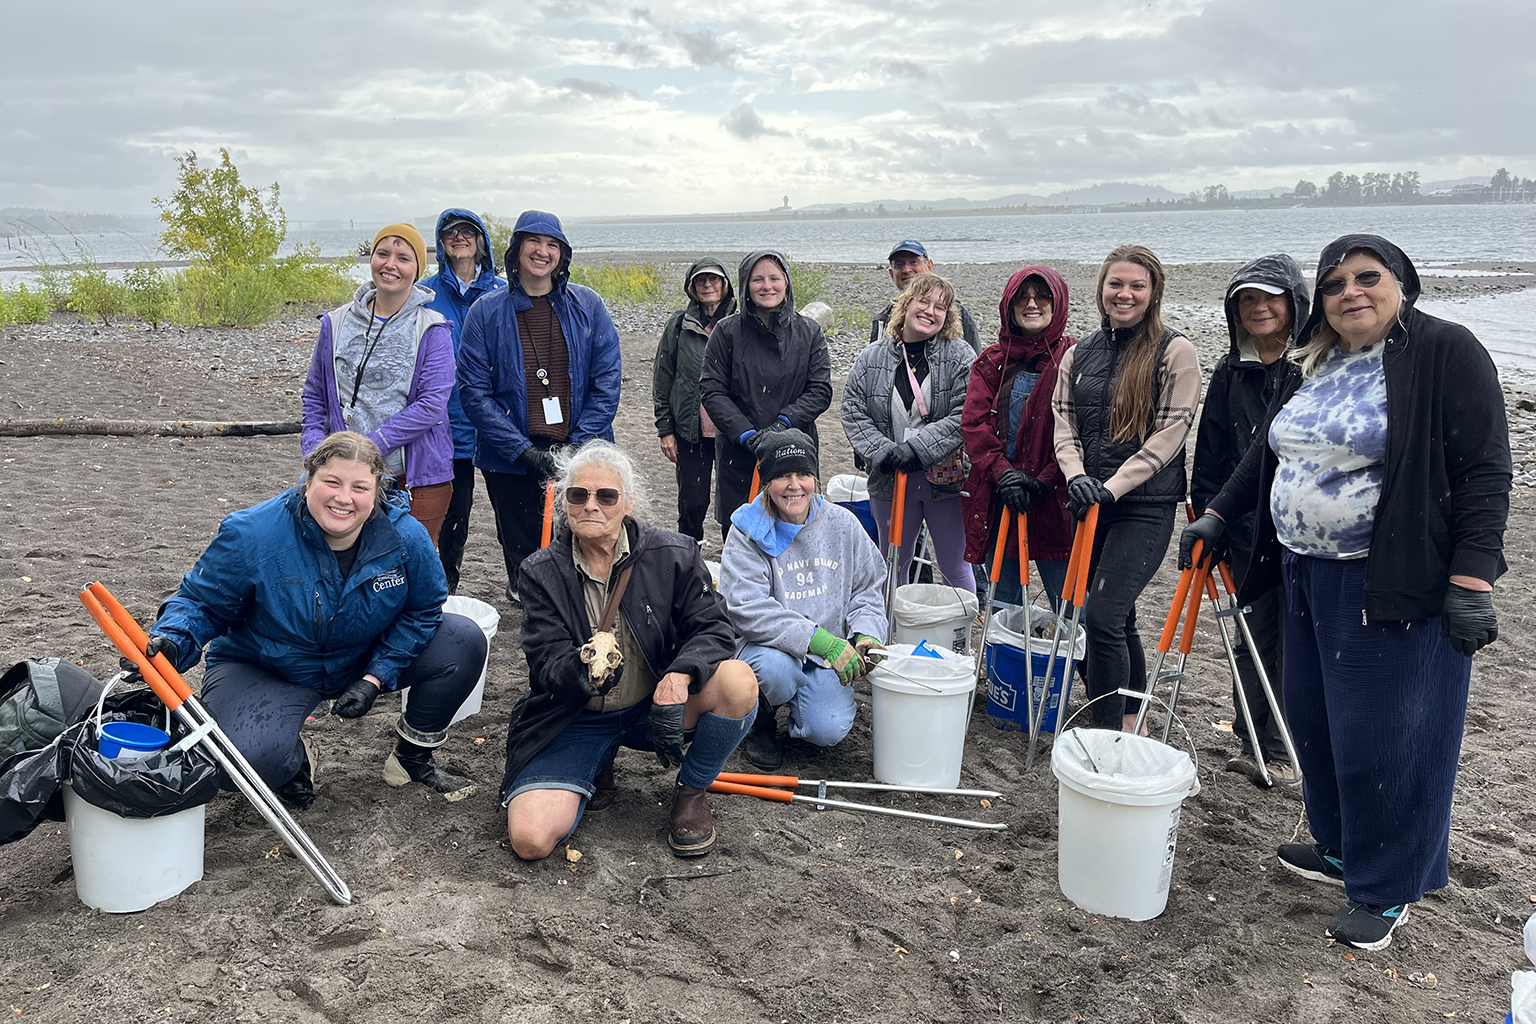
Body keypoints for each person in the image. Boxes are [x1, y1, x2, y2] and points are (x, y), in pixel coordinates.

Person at [1180, 234, 1509, 951]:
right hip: (1302, 570)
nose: (1351, 292)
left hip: (1391, 579)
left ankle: (1389, 888)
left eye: (1368, 277)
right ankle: (1338, 847)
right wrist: (1215, 515)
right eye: (1334, 284)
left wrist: (1472, 578)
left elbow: (1486, 470)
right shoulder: (1317, 360)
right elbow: (1269, 447)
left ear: (1402, 284)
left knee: (1390, 737)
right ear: (1319, 303)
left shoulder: (1445, 352)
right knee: (1319, 721)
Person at [141, 432, 485, 808]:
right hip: (268, 666)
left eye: (359, 487)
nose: (343, 498)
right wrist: (172, 640)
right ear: (309, 480)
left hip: (360, 658)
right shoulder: (253, 533)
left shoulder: (405, 537)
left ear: (378, 492)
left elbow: (422, 610)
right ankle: (293, 761)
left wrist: (376, 677)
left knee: (463, 639)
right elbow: (201, 603)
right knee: (237, 764)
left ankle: (411, 759)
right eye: (332, 482)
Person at [502, 441, 759, 859]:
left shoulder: (673, 553)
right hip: (573, 716)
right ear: (563, 502)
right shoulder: (539, 572)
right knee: (530, 841)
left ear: (628, 503)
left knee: (738, 681)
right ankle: (592, 768)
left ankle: (691, 790)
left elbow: (714, 627)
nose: (591, 506)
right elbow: (545, 662)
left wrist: (680, 674)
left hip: (652, 705)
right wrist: (584, 670)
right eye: (578, 494)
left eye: (606, 496)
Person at [1051, 244, 1201, 731]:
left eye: (1137, 285)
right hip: (1091, 500)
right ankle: (1131, 714)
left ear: (1153, 292)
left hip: (1145, 506)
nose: (1125, 293)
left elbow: (1171, 435)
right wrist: (1076, 476)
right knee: (1122, 618)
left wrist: (1112, 487)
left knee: (1102, 617)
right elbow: (1063, 420)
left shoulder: (1175, 351)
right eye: (1116, 283)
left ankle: (1105, 728)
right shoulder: (1079, 352)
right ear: (1101, 289)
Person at [457, 211, 622, 603]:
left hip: (579, 450)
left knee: (584, 531)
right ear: (516, 251)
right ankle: (531, 601)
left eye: (552, 245)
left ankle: (579, 600)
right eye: (534, 242)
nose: (542, 252)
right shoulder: (485, 311)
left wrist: (576, 446)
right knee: (521, 542)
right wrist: (523, 450)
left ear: (562, 255)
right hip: (510, 455)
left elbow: (607, 378)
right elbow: (473, 391)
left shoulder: (588, 304)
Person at [1188, 254, 1309, 785]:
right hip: (1240, 526)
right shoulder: (1229, 371)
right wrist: (1206, 514)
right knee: (1250, 632)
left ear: (1294, 303)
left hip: (1301, 525)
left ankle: (1288, 745)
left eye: (1270, 297)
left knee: (1295, 636)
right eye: (1248, 299)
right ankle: (1253, 739)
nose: (1260, 308)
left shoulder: (1310, 366)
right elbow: (1212, 452)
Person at [720, 429, 888, 770]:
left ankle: (803, 712)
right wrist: (819, 639)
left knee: (826, 729)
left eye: (803, 474)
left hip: (826, 653)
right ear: (767, 482)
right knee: (776, 672)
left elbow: (868, 588)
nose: (794, 485)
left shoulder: (843, 525)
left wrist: (867, 633)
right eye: (782, 475)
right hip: (768, 649)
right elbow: (746, 607)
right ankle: (759, 721)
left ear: (816, 478)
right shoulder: (748, 529)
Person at [301, 223, 455, 545]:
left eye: (403, 257)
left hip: (413, 479)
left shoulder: (433, 330)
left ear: (417, 270)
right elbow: (315, 396)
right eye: (382, 254)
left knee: (410, 571)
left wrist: (368, 448)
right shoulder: (336, 322)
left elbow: (430, 406)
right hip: (340, 475)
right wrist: (316, 450)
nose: (390, 265)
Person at [841, 272, 977, 596]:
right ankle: (888, 638)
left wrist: (917, 449)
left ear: (948, 316)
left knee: (954, 565)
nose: (930, 311)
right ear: (906, 304)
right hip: (889, 480)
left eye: (940, 307)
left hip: (944, 482)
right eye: (923, 301)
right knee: (891, 565)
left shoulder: (960, 355)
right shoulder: (872, 356)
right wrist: (882, 451)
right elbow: (852, 408)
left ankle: (958, 641)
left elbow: (965, 412)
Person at [961, 266, 1077, 608]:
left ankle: (1070, 664)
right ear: (1009, 305)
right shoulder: (992, 362)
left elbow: (1079, 428)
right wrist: (1004, 474)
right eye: (1022, 296)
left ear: (1057, 304)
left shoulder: (1075, 358)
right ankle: (1003, 661)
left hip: (1057, 497)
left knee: (1070, 605)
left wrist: (1041, 481)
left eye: (1042, 295)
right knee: (1003, 603)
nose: (1032, 303)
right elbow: (974, 424)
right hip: (1001, 495)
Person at [700, 250, 832, 542]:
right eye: (758, 279)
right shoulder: (726, 331)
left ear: (786, 282)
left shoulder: (809, 332)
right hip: (741, 452)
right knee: (743, 536)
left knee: (796, 533)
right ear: (746, 284)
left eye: (774, 278)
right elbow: (712, 390)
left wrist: (783, 426)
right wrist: (748, 435)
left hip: (794, 449)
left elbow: (820, 390)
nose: (767, 286)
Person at [420, 209, 508, 592]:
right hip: (446, 423)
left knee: (511, 512)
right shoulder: (423, 293)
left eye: (467, 232)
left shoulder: (503, 292)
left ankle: (522, 582)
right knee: (454, 513)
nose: (459, 238)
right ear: (441, 243)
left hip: (498, 422)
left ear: (482, 241)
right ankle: (445, 586)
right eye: (451, 232)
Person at [653, 258, 736, 542]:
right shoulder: (678, 325)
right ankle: (689, 557)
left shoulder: (740, 322)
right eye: (701, 280)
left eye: (714, 279)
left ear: (725, 285)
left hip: (734, 431)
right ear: (692, 287)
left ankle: (737, 561)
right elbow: (663, 377)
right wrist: (665, 430)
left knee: (735, 506)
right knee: (692, 503)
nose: (708, 285)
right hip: (691, 430)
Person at [870, 240, 981, 353]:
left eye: (913, 262)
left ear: (929, 266)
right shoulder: (883, 318)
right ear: (891, 274)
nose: (907, 270)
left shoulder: (955, 312)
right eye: (899, 265)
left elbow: (975, 363)